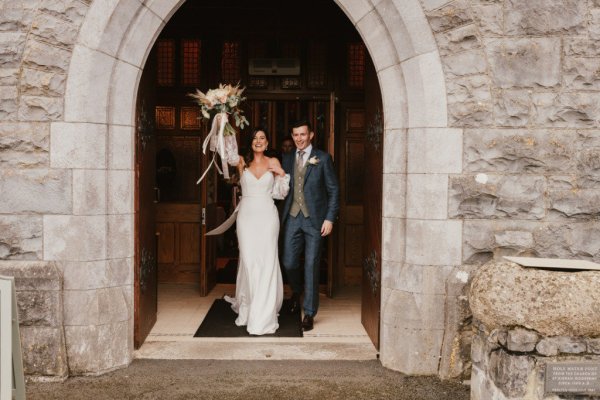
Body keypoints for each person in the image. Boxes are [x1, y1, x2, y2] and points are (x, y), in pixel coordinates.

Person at [223, 128, 290, 335]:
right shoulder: (242, 161)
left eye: (262, 138)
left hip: (268, 216)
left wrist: (282, 175)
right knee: (250, 261)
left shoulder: (273, 163)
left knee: (268, 260)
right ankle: (249, 307)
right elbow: (226, 154)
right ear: (250, 143)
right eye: (255, 138)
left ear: (268, 143)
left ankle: (263, 314)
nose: (258, 141)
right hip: (247, 216)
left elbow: (280, 194)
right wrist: (223, 121)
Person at [280, 119, 340, 331]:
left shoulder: (323, 158)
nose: (299, 139)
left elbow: (333, 190)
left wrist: (330, 218)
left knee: (312, 265)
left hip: (315, 220)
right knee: (288, 262)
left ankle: (310, 313)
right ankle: (296, 291)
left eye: (302, 135)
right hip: (292, 218)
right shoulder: (287, 159)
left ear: (311, 135)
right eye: (295, 135)